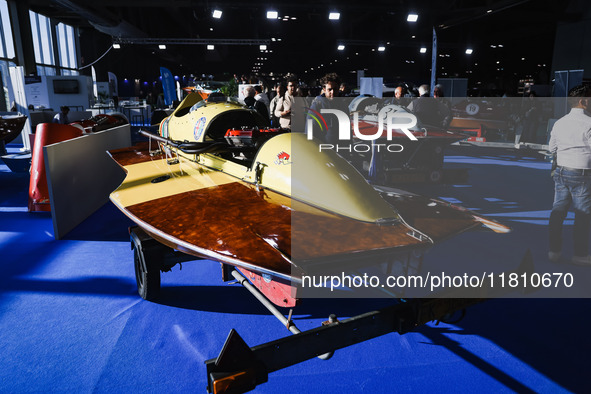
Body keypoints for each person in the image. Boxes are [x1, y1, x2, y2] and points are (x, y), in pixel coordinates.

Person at [548, 84, 591, 265]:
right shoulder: (589, 123)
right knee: (582, 216)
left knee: (558, 212)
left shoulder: (559, 122)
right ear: (583, 101)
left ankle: (554, 252)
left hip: (562, 172)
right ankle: (580, 255)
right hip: (583, 174)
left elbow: (552, 148)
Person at [309, 72, 341, 144]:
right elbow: (310, 132)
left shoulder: (342, 105)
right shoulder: (317, 106)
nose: (332, 92)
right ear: (324, 89)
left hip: (340, 150)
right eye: (330, 89)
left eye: (335, 89)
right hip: (322, 150)